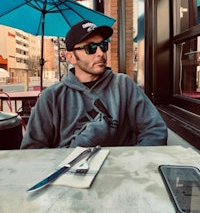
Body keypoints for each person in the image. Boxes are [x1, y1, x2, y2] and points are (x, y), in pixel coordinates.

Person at [20, 20, 167, 149]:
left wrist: (133, 163)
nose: (100, 53)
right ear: (71, 57)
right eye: (90, 48)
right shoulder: (52, 97)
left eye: (103, 46)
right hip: (67, 174)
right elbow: (33, 149)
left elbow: (155, 130)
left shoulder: (123, 85)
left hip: (118, 173)